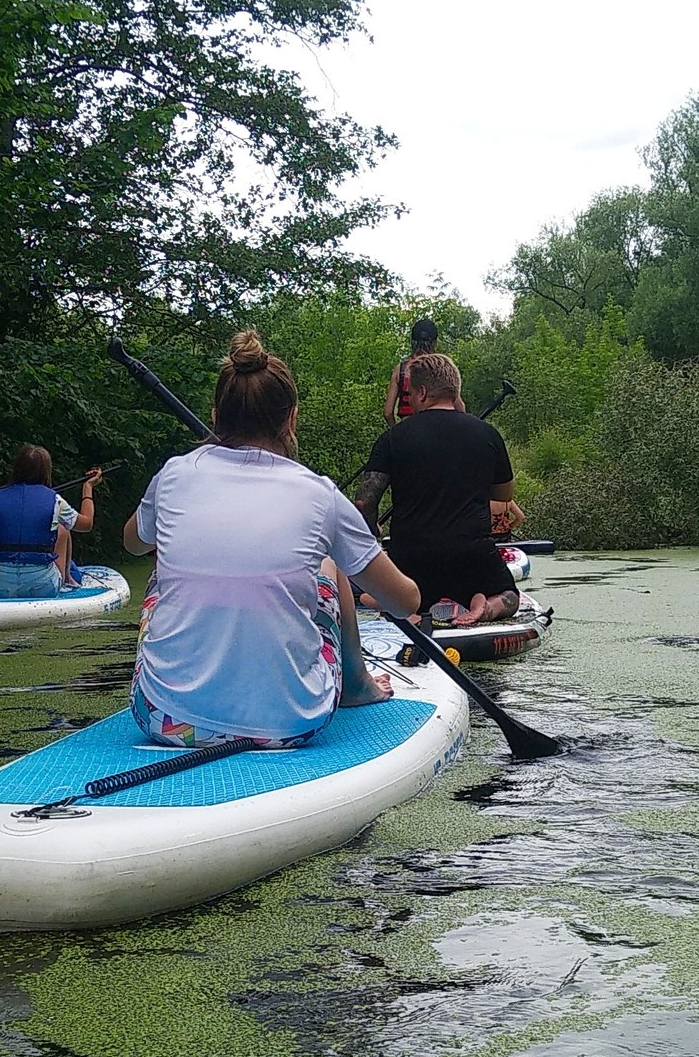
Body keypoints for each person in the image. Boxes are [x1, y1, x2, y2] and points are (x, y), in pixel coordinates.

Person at [121, 330, 422, 748]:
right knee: (329, 565)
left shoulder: (174, 474)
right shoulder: (320, 494)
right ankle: (356, 686)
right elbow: (405, 602)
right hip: (291, 723)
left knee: (161, 572)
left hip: (162, 717)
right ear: (291, 418)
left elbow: (133, 543)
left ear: (215, 416)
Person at [348, 352, 522, 626]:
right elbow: (504, 494)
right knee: (511, 597)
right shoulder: (487, 434)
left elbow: (364, 504)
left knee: (373, 594)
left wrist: (373, 532)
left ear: (422, 392)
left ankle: (406, 609)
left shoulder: (392, 439)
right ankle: (486, 606)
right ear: (455, 392)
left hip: (411, 558)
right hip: (472, 555)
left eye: (410, 395)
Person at [0, 446, 100, 597]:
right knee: (62, 529)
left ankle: (67, 578)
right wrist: (88, 487)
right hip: (42, 586)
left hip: (0, 587)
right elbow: (86, 524)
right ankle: (66, 580)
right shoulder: (55, 500)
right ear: (46, 471)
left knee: (60, 528)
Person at [382, 317, 441, 426]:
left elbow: (388, 412)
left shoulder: (400, 369)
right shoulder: (440, 369)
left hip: (407, 427)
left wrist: (397, 431)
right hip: (432, 428)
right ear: (434, 342)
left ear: (412, 342)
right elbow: (459, 407)